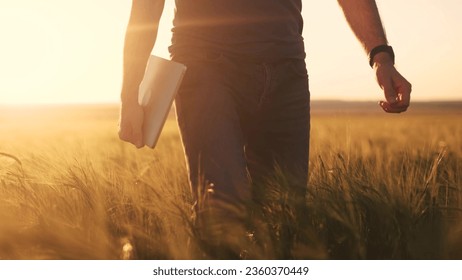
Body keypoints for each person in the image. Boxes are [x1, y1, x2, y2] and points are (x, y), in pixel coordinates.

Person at [118, 0, 412, 258]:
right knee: (222, 212)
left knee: (284, 216)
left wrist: (381, 56)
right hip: (206, 66)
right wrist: (129, 93)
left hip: (287, 70)